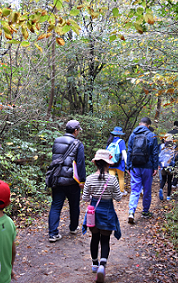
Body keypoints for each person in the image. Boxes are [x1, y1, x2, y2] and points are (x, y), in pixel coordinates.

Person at [82, 149, 122, 283]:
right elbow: (118, 198)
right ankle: (102, 266)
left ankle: (94, 264)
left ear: (95, 164)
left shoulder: (89, 179)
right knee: (105, 240)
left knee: (94, 238)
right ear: (108, 164)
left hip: (93, 213)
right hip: (108, 213)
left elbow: (85, 199)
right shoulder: (113, 179)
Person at [48, 119, 86, 242]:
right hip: (72, 181)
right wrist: (82, 180)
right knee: (74, 205)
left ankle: (52, 233)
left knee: (55, 206)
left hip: (57, 180)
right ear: (75, 131)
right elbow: (80, 164)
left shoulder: (56, 141)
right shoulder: (78, 144)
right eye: (78, 130)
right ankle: (73, 228)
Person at [126, 117, 159, 223]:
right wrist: (155, 167)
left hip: (135, 166)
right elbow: (155, 153)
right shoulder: (152, 135)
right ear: (148, 125)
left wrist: (128, 166)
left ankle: (131, 212)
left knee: (135, 190)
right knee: (147, 190)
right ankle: (145, 211)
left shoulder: (133, 135)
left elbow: (129, 151)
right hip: (147, 167)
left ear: (140, 124)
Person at [106, 126, 128, 195]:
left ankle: (111, 191)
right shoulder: (121, 141)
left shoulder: (109, 141)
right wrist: (127, 163)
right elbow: (124, 153)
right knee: (121, 178)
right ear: (120, 134)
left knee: (111, 178)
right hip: (120, 163)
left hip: (110, 162)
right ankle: (121, 191)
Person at [158, 134, 178, 201]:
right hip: (170, 166)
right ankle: (168, 196)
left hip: (163, 165)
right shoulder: (174, 147)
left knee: (163, 180)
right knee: (169, 181)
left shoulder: (162, 146)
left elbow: (159, 156)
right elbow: (176, 157)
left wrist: (159, 165)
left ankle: (161, 188)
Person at [167, 121, 178, 188]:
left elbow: (165, 143)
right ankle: (174, 183)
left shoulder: (168, 133)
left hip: (169, 153)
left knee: (169, 167)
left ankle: (169, 182)